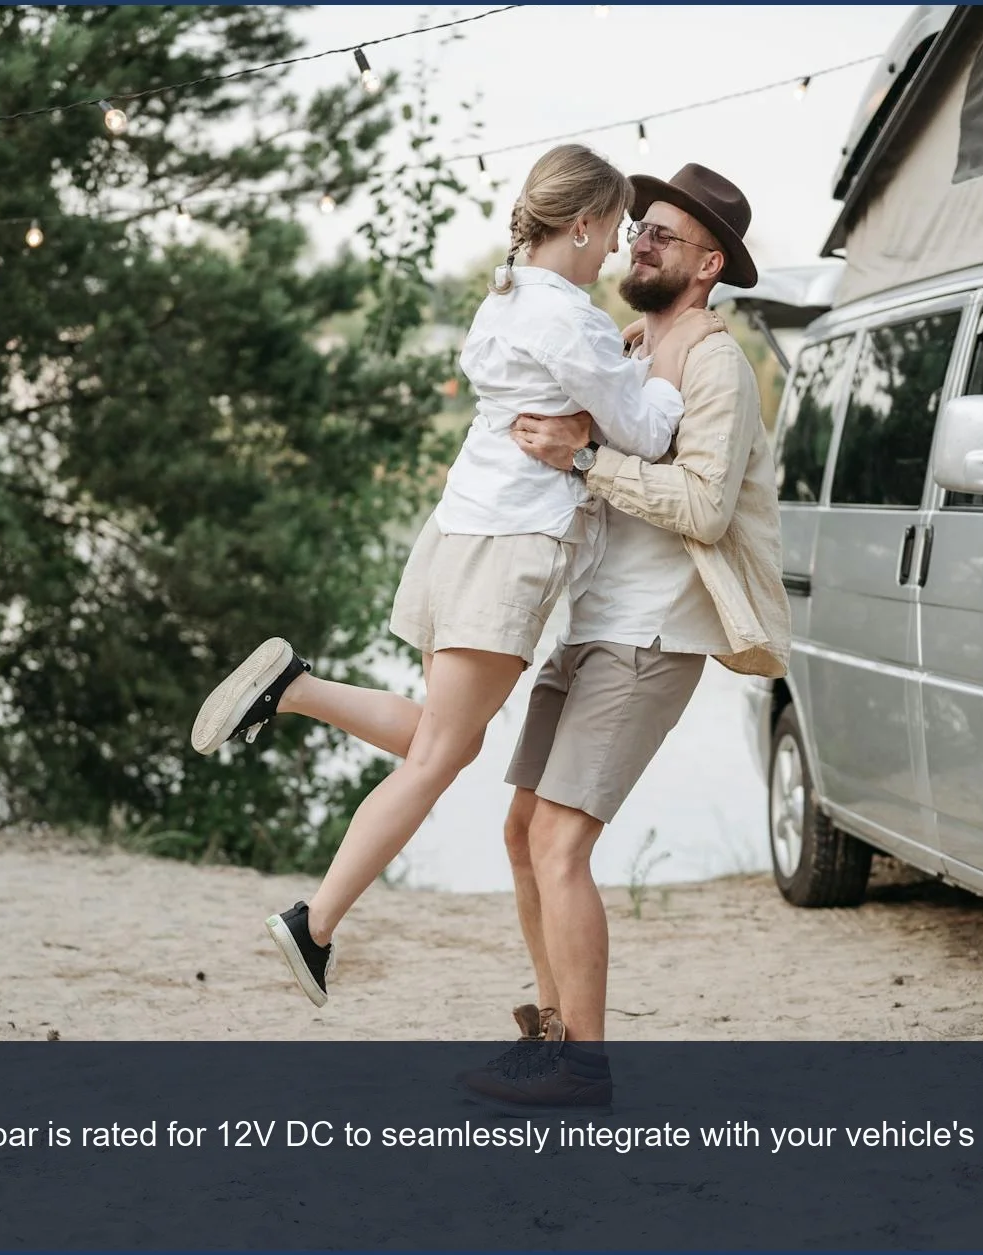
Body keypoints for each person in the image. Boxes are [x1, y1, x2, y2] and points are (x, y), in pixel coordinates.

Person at [187, 144, 724, 1008]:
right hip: (509, 549)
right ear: (580, 224)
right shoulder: (574, 320)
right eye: (613, 230)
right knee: (440, 754)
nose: (615, 250)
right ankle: (313, 923)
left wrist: (619, 365)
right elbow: (651, 430)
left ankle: (295, 689)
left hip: (453, 536)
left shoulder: (500, 303)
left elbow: (584, 399)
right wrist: (668, 353)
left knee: (444, 738)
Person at [458, 163, 791, 1112]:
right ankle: (551, 1035)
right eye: (638, 228)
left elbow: (705, 505)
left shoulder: (716, 364)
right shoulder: (631, 343)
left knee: (560, 840)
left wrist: (587, 455)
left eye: (662, 236)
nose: (637, 242)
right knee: (522, 829)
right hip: (591, 619)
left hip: (653, 632)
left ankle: (583, 1065)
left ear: (709, 264)